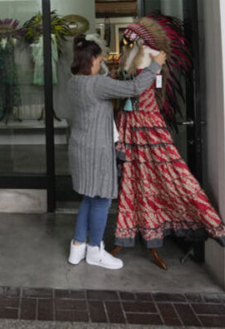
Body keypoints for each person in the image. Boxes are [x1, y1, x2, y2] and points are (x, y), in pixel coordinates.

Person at [67, 34, 166, 269]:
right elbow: (133, 88)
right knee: (102, 199)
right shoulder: (99, 84)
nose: (102, 64)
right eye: (99, 60)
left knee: (89, 197)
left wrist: (107, 77)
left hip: (79, 147)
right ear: (91, 60)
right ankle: (94, 251)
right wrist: (155, 66)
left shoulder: (74, 82)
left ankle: (77, 248)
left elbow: (96, 90)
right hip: (97, 150)